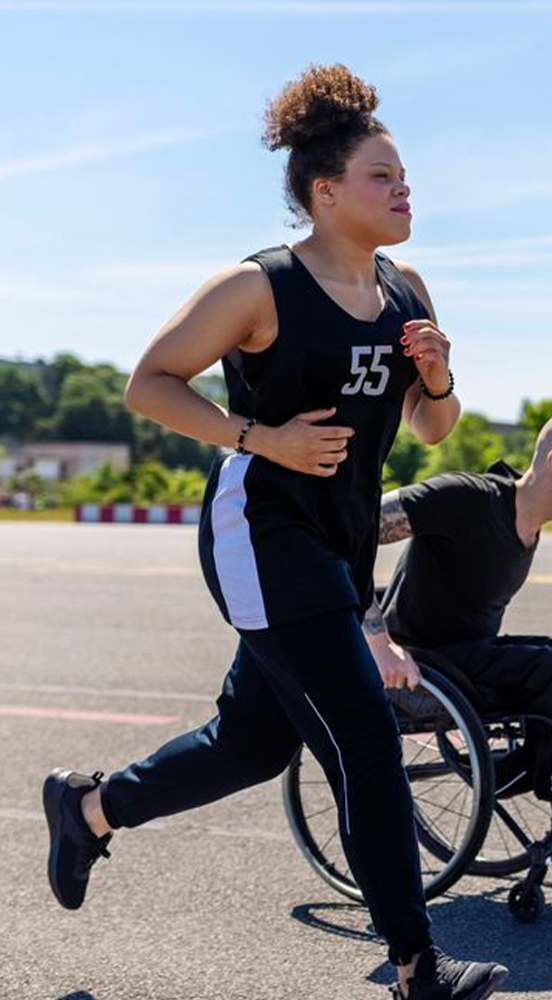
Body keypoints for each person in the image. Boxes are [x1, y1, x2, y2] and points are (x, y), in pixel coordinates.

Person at [42, 65, 507, 1000]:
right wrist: (264, 438)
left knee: (250, 745)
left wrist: (442, 377)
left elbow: (429, 429)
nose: (405, 190)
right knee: (365, 739)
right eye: (385, 177)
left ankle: (88, 811)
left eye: (405, 175)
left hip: (340, 535)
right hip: (260, 527)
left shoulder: (404, 285)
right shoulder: (260, 287)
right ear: (326, 191)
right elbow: (151, 384)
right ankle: (418, 965)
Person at [366, 410, 552, 866]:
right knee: (544, 665)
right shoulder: (466, 498)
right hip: (417, 668)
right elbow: (352, 529)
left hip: (467, 660)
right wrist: (369, 629)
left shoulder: (527, 525)